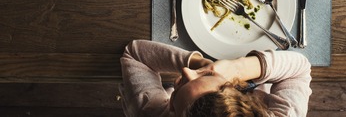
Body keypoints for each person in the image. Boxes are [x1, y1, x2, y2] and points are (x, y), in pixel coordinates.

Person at [120, 40, 312, 116]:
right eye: (209, 75)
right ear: (238, 90)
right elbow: (300, 68)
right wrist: (237, 67)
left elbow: (135, 55)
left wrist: (199, 63)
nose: (186, 71)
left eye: (180, 86)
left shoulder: (149, 111)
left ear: (171, 107)